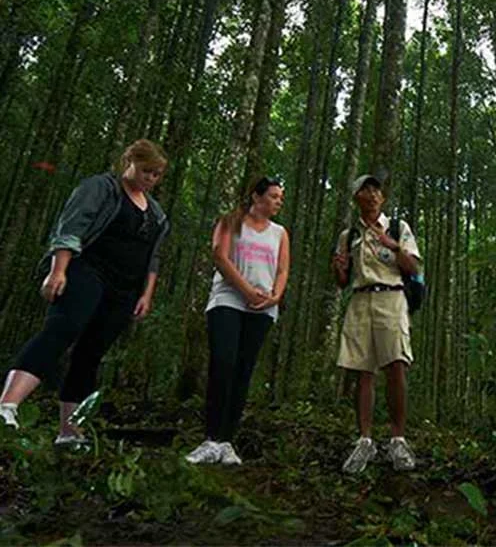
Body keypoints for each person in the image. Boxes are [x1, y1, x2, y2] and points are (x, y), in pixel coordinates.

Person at [0, 139, 170, 444]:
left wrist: (146, 294)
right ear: (129, 162)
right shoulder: (102, 188)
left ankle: (70, 431)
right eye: (146, 171)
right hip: (86, 271)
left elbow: (153, 258)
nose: (150, 179)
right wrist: (58, 269)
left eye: (157, 175)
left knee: (91, 354)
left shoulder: (157, 215)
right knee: (62, 329)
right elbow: (72, 227)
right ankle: (6, 405)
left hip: (125, 289)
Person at [185, 176, 290, 465]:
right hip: (228, 300)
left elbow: (282, 270)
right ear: (256, 197)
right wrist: (246, 290)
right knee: (223, 362)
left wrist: (274, 297)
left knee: (243, 370)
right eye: (273, 196)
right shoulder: (231, 220)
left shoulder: (280, 232)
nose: (278, 201)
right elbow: (220, 256)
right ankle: (210, 439)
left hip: (263, 308)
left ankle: (227, 441)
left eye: (280, 197)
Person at [331, 174, 421, 474]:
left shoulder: (398, 227)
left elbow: (413, 267)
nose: (371, 194)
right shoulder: (349, 235)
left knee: (396, 365)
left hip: (392, 299)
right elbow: (342, 282)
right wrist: (339, 270)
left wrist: (394, 247)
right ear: (356, 197)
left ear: (382, 197)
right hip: (359, 300)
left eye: (376, 190)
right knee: (362, 370)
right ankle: (365, 441)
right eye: (364, 190)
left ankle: (398, 439)